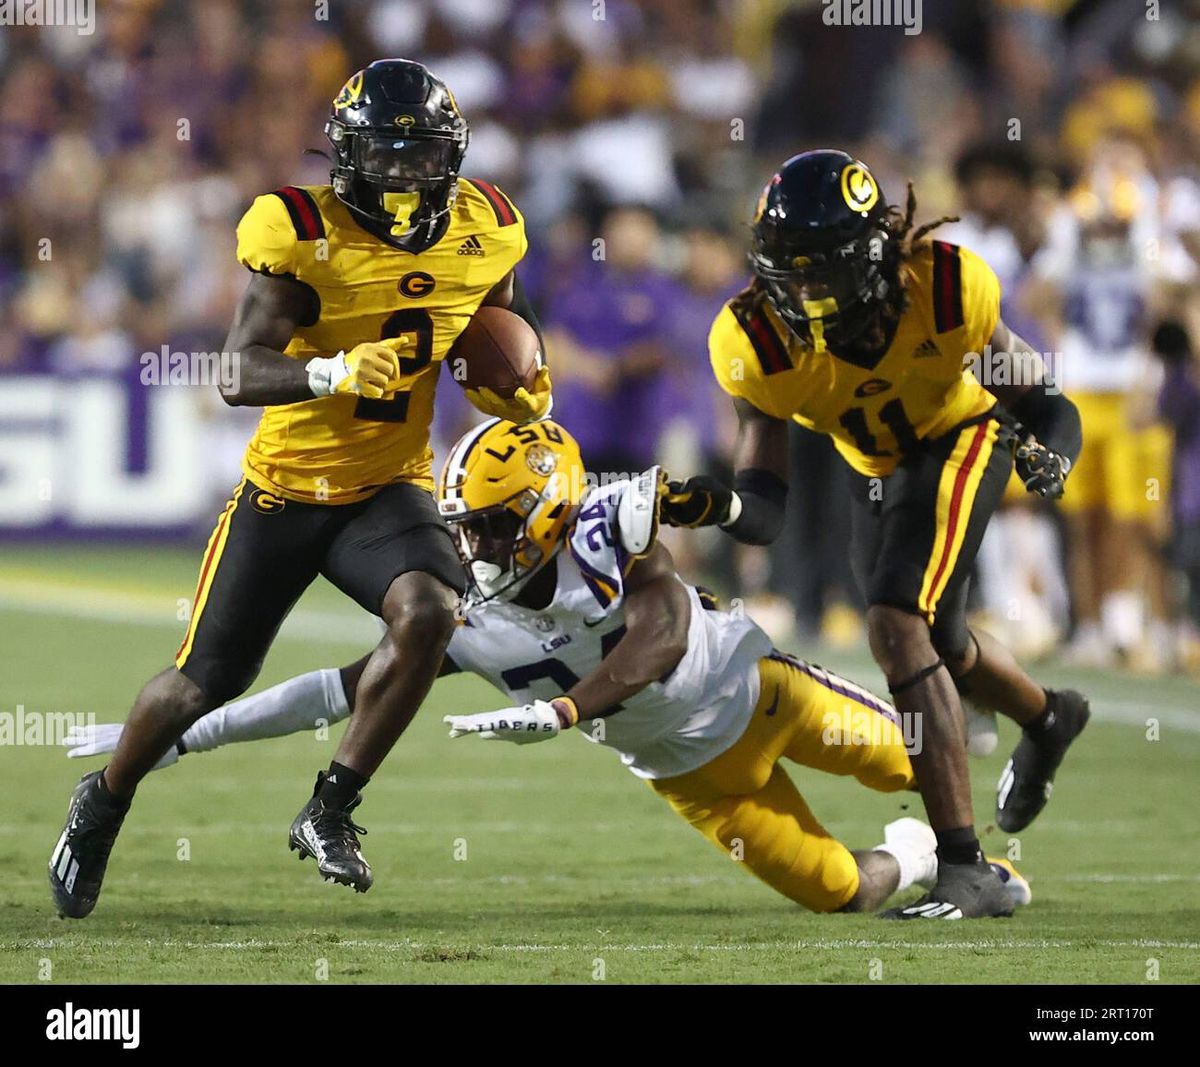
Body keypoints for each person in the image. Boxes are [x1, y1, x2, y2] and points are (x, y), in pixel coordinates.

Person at [66, 418, 1031, 916]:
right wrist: (180, 736)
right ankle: (916, 854)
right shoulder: (464, 615)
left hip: (762, 693)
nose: (473, 544)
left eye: (488, 524)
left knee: (929, 759)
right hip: (690, 779)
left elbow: (656, 629)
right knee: (837, 890)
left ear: (542, 508)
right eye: (465, 525)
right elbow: (332, 695)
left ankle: (976, 835)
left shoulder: (606, 528)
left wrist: (569, 711)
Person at [47, 59, 552, 919]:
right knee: (201, 684)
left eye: (420, 154)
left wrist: (518, 386)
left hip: (388, 484)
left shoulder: (489, 225)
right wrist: (330, 369)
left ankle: (331, 806)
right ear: (347, 157)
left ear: (453, 155)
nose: (403, 175)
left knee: (432, 614)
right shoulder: (296, 228)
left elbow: (497, 334)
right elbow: (235, 373)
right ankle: (104, 800)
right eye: (385, 157)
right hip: (285, 489)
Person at [659, 150, 1086, 919]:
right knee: (941, 643)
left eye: (821, 269)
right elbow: (765, 505)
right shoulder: (754, 339)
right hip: (876, 466)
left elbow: (1041, 396)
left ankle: (963, 864)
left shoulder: (946, 285)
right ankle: (1048, 715)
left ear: (872, 256)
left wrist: (1053, 449)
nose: (805, 291)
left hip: (962, 436)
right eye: (789, 271)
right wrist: (711, 507)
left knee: (895, 622)